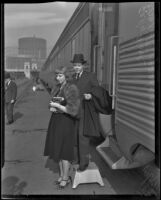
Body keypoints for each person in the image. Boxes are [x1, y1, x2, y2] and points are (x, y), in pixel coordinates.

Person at [44, 66, 80, 189]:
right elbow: (51, 103)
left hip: (66, 122)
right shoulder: (57, 87)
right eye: (57, 75)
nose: (57, 78)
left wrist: (58, 107)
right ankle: (61, 175)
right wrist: (51, 107)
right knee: (58, 149)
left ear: (67, 76)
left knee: (65, 150)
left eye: (60, 75)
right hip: (56, 121)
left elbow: (73, 110)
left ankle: (66, 177)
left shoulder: (72, 88)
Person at [71, 53, 101, 172]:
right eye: (75, 65)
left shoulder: (90, 76)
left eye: (79, 65)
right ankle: (77, 159)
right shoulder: (73, 78)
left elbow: (97, 90)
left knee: (83, 137)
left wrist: (91, 96)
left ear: (83, 65)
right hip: (74, 111)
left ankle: (84, 163)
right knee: (74, 137)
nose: (77, 67)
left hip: (85, 110)